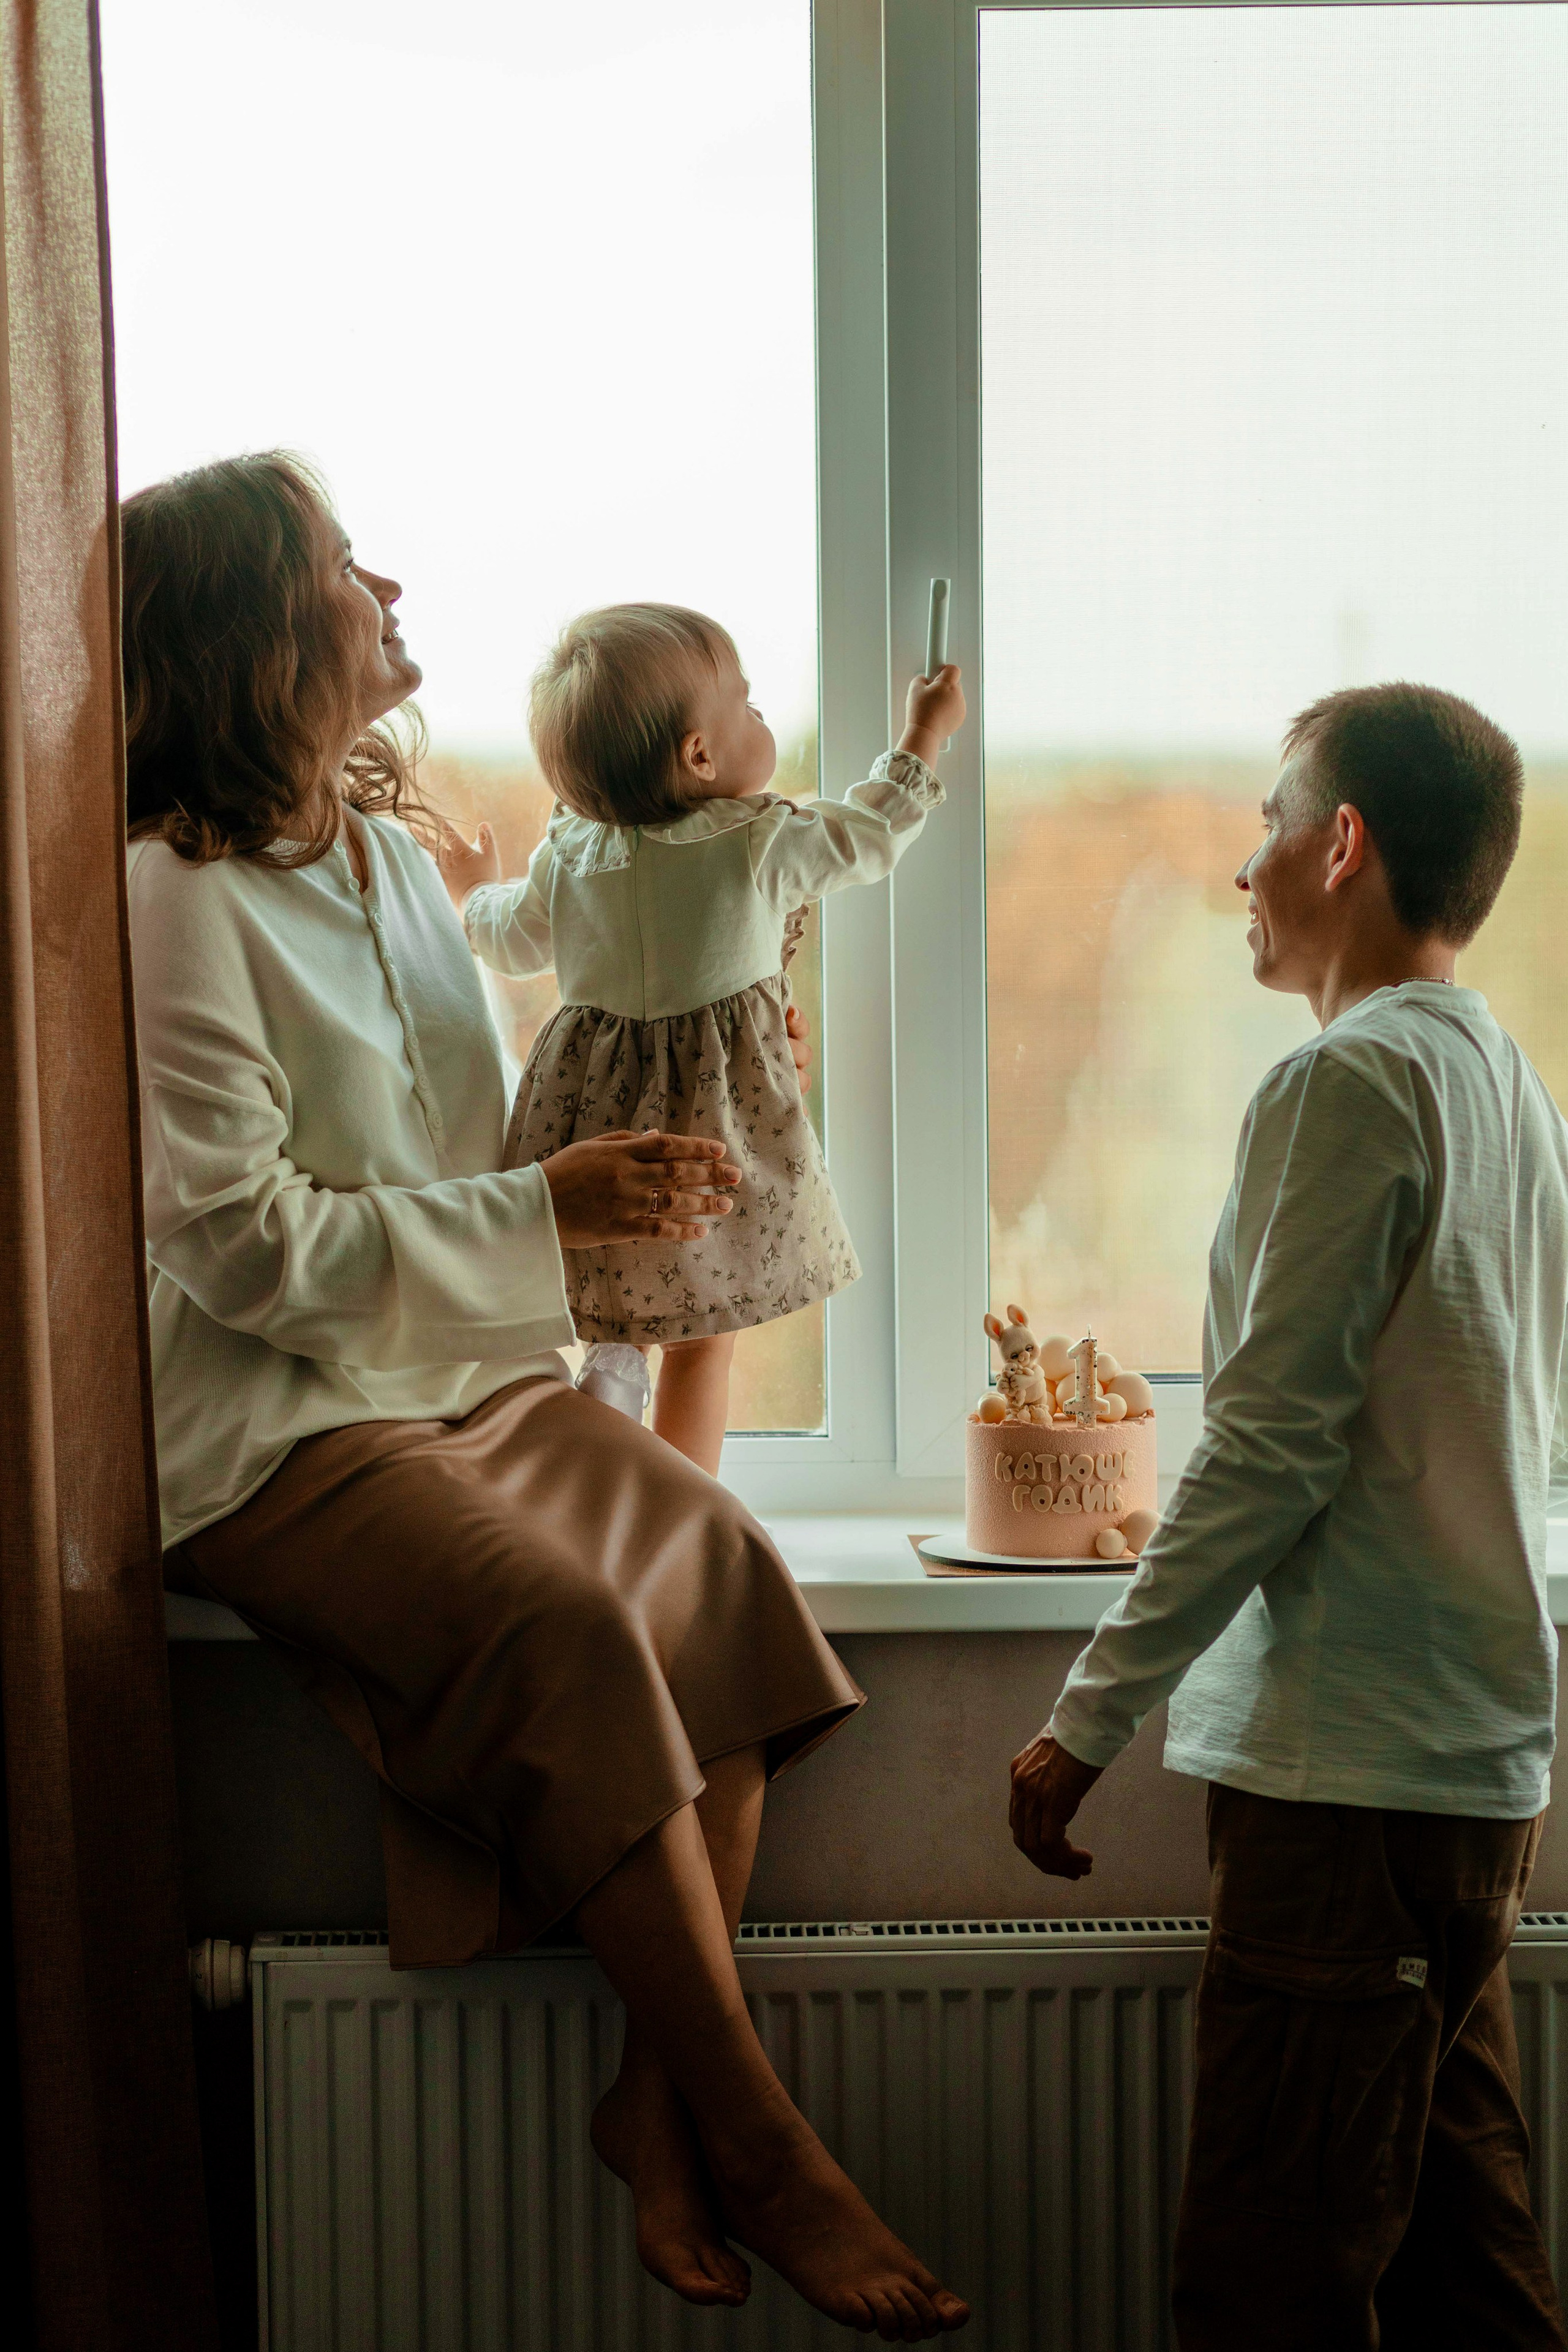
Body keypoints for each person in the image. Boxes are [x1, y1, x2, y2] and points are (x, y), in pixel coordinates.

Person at [126, 449, 968, 2342]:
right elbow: (245, 1252)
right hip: (290, 1428)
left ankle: (651, 2097)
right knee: (578, 1629)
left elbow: (477, 1103)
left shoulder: (390, 862)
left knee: (725, 1582)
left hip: (479, 1376)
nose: (391, 589)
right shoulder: (171, 902)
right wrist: (549, 1208)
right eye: (348, 568)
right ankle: (760, 2138)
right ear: (262, 631)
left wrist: (727, 1002)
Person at [1008, 684, 1568, 2350]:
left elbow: (1266, 1448)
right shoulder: (1507, 1088)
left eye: (1268, 824)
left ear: (1346, 844)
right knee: (1472, 2272)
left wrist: (1082, 1722)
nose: (1237, 869)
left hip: (1351, 1790)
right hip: (1468, 1781)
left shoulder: (1340, 1087)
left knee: (1267, 2288)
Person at [436, 603, 965, 1472]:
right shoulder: (759, 843)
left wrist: (469, 891)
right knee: (703, 1338)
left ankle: (609, 1385)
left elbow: (507, 936)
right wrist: (922, 734)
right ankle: (683, 1506)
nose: (764, 719)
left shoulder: (571, 856)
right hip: (706, 1129)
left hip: (591, 1131)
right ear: (700, 755)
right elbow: (872, 833)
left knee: (616, 1310)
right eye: (749, 706)